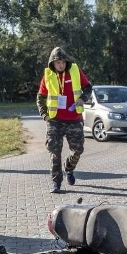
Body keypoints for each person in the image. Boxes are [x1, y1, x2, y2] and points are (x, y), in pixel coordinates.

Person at [37, 46, 92, 193]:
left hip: (74, 118)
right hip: (55, 120)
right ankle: (56, 183)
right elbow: (40, 97)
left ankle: (69, 168)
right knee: (55, 153)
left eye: (62, 62)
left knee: (78, 150)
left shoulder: (74, 70)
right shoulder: (48, 74)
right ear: (52, 63)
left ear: (66, 62)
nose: (60, 65)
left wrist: (82, 98)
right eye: (57, 63)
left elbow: (88, 88)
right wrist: (44, 115)